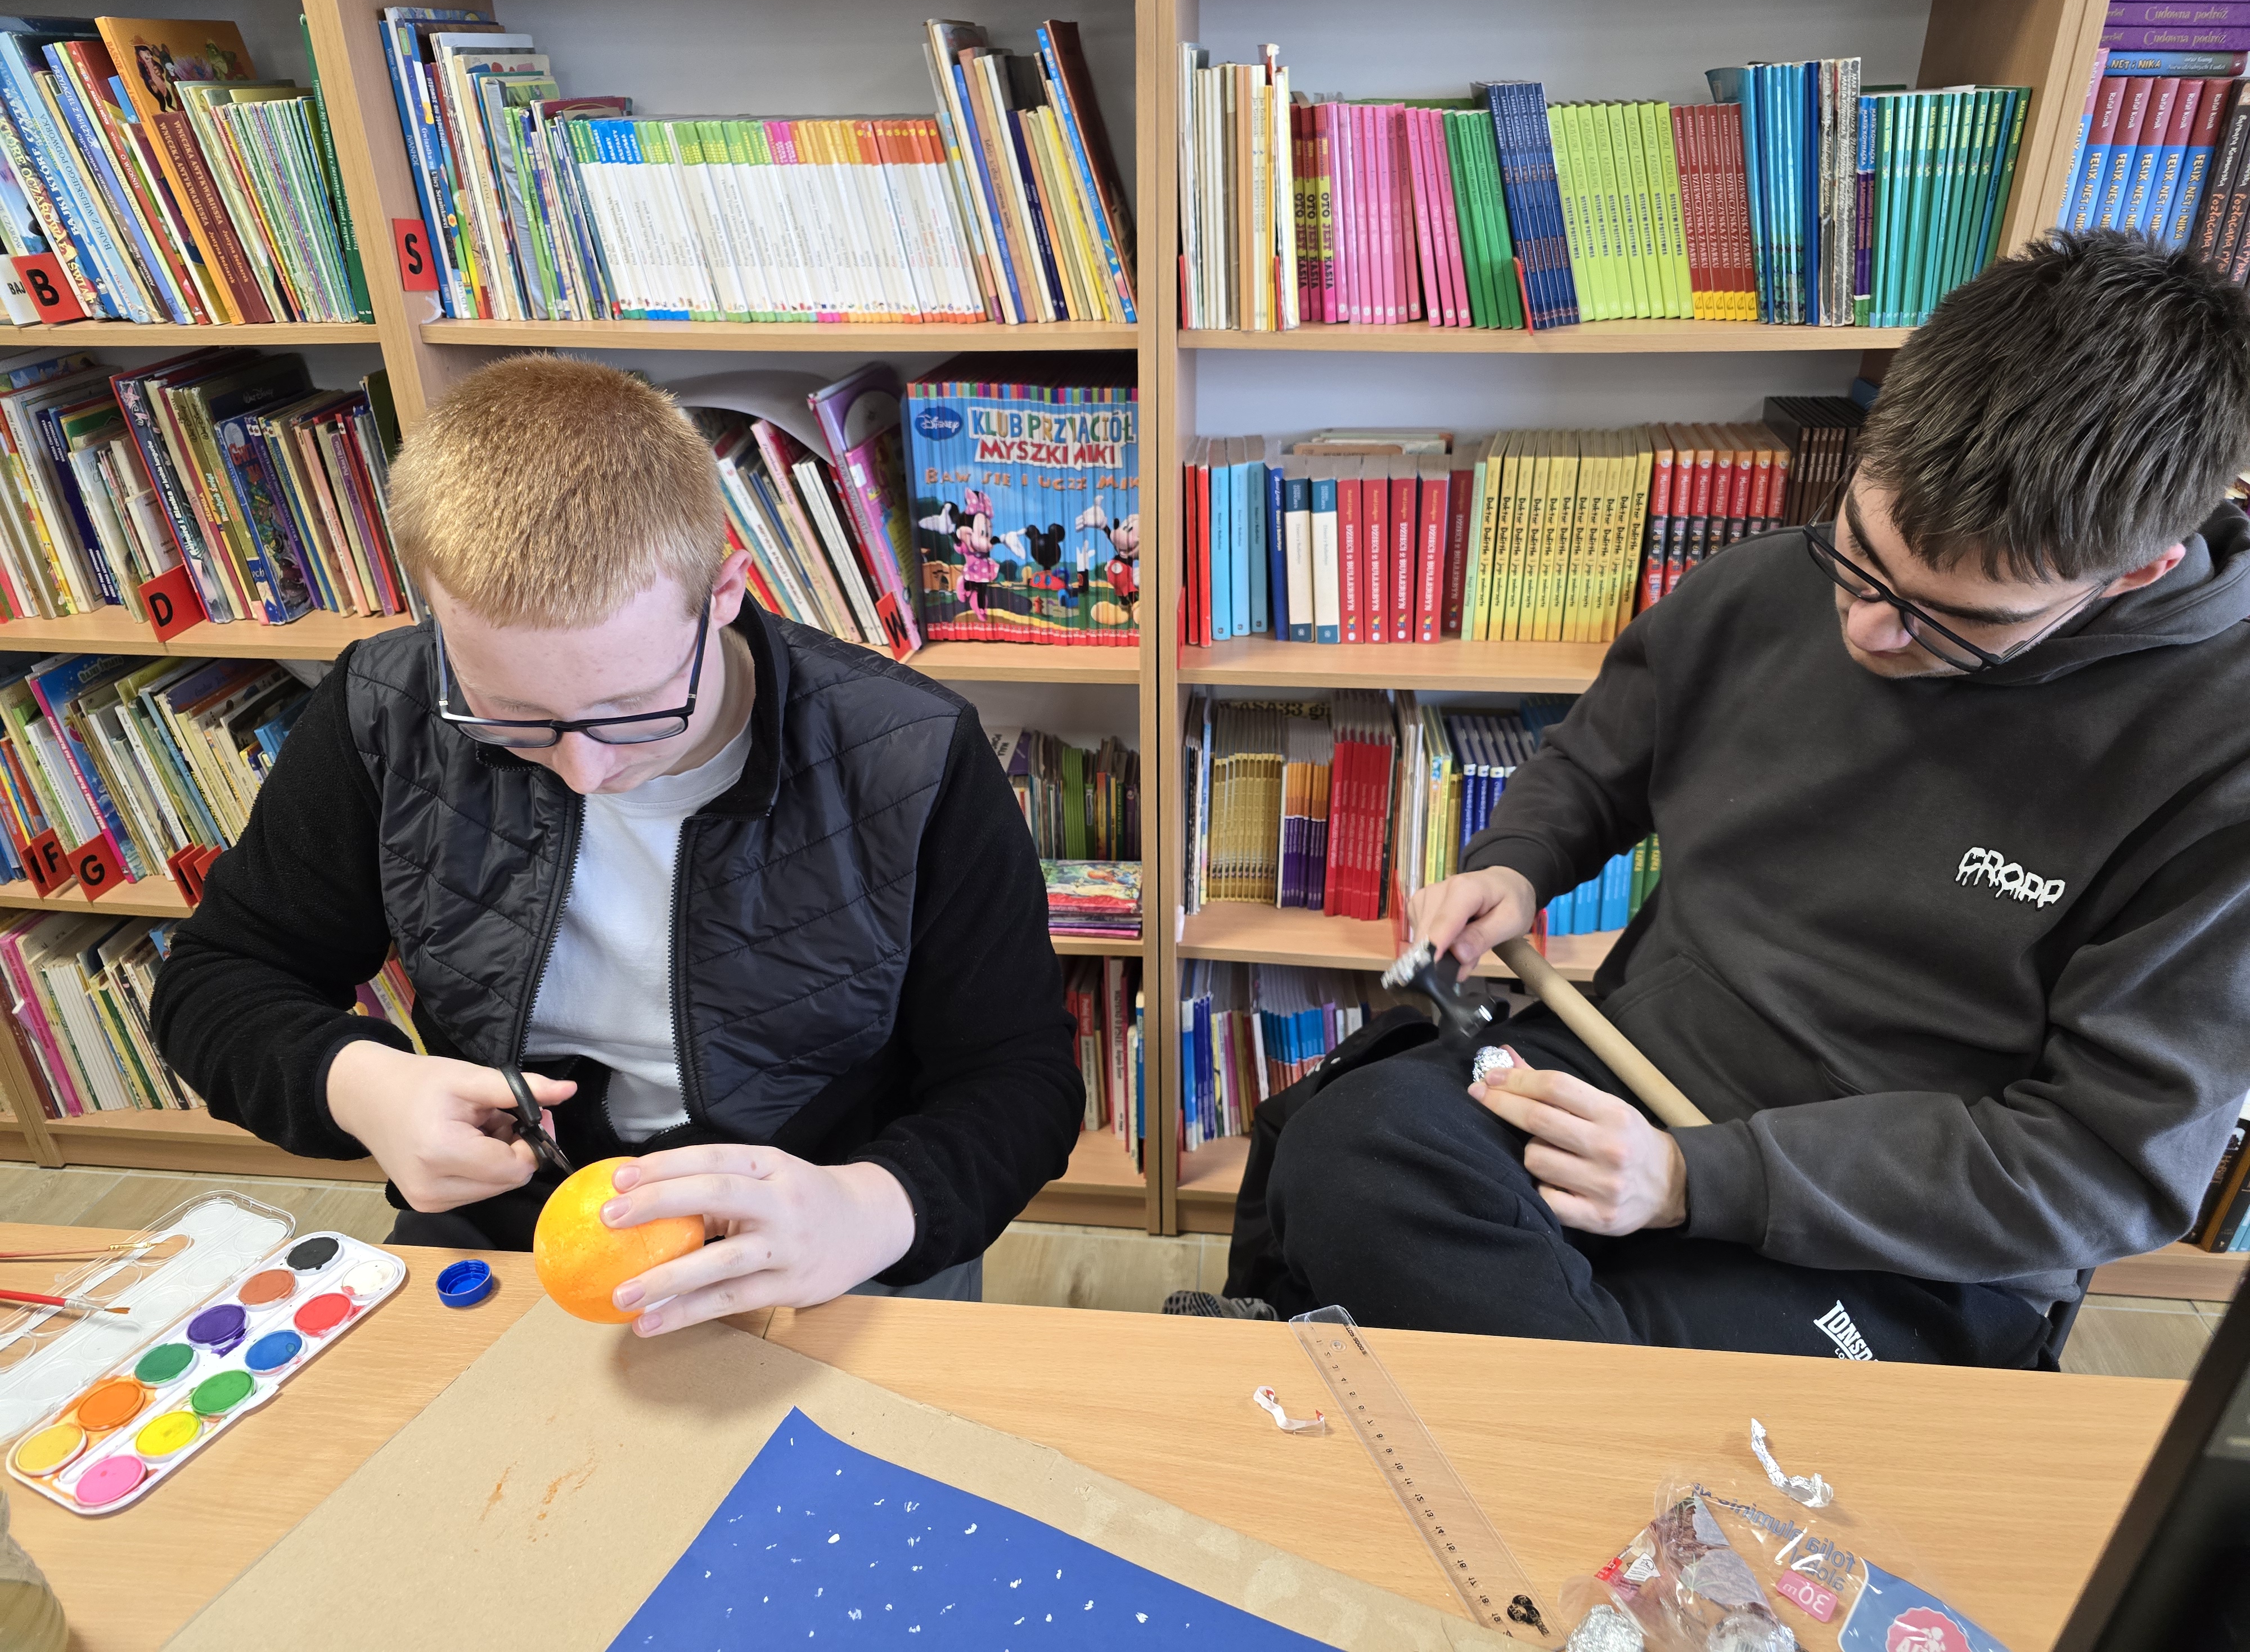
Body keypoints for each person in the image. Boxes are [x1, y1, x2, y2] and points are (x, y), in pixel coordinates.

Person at [1223, 232, 2250, 1368]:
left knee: (1688, 1400)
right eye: (1860, 556)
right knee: (1347, 1148)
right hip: (1632, 1068)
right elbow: (1602, 759)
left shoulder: (2218, 768)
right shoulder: (1778, 583)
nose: (1868, 630)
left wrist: (1694, 1180)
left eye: (1956, 619)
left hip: (1898, 1230)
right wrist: (1515, 862)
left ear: (2138, 568)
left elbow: (2103, 1165)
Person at [150, 357, 1083, 1335]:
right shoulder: (387, 709)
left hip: (820, 1228)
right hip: (516, 1227)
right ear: (436, 615)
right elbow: (219, 980)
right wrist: (358, 1083)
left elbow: (1017, 1076)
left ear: (724, 591)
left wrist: (872, 1208)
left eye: (634, 710)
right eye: (512, 717)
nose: (584, 771)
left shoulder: (911, 754)